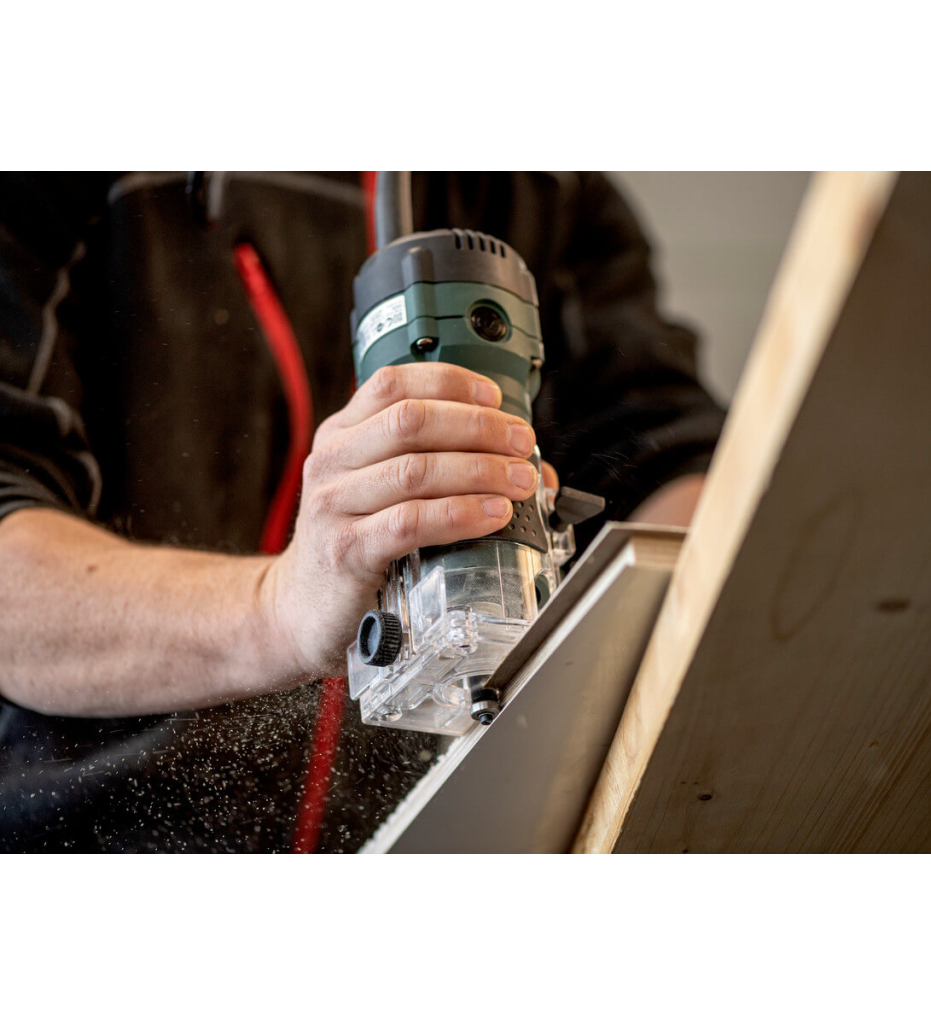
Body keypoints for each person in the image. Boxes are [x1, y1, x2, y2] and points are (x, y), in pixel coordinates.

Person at [0, 172, 725, 852]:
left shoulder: (543, 181)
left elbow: (671, 467)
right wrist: (275, 610)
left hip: (445, 837)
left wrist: (710, 599)